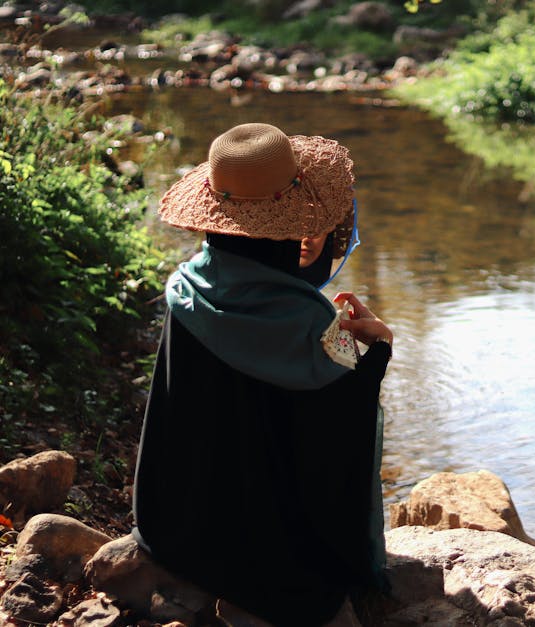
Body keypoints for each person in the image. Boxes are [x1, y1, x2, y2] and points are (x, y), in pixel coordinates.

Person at [131, 123, 392, 626]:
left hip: (178, 524)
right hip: (273, 557)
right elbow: (343, 431)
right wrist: (377, 349)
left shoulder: (186, 289)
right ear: (287, 225)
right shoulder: (309, 323)